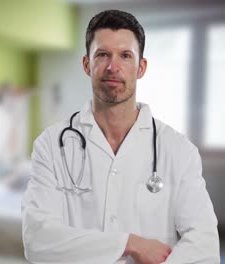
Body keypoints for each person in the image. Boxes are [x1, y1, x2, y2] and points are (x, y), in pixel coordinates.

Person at [21, 9, 219, 264]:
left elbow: (205, 244)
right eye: (102, 55)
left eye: (125, 56)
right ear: (86, 64)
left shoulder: (178, 150)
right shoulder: (50, 145)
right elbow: (37, 240)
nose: (113, 67)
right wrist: (130, 244)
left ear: (141, 67)